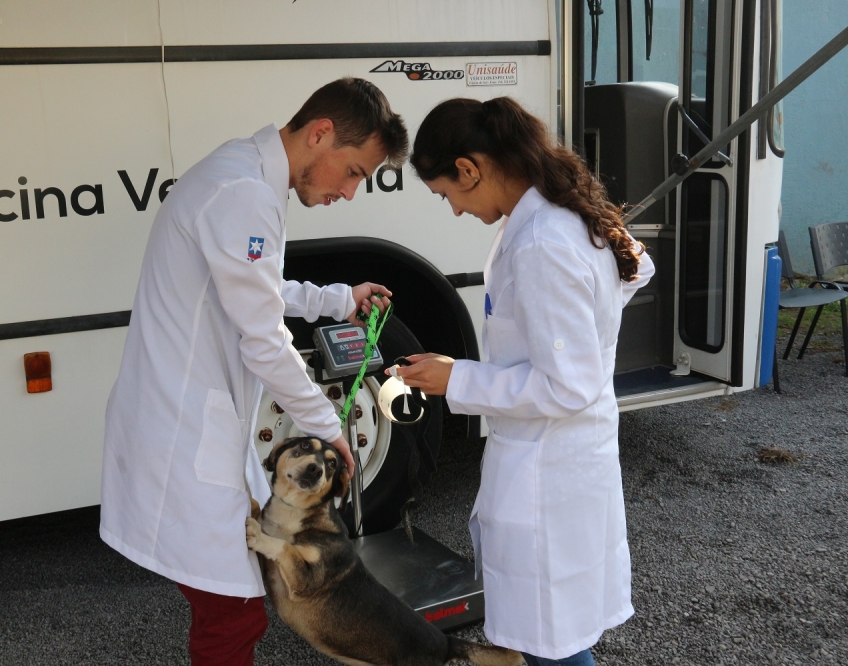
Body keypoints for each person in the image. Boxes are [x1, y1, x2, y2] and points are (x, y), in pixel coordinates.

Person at [100, 77, 407, 666]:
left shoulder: (240, 173)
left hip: (187, 421)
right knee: (232, 614)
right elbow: (263, 339)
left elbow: (254, 287)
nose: (349, 192)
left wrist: (335, 300)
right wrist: (329, 428)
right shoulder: (242, 192)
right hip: (183, 432)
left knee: (228, 609)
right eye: (353, 172)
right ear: (320, 133)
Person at [396, 97, 655, 666]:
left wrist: (456, 379)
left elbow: (566, 386)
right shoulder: (559, 216)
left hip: (550, 471)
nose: (456, 211)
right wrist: (594, 325)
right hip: (565, 459)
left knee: (550, 644)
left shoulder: (542, 241)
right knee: (556, 631)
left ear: (470, 168)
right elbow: (638, 266)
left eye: (447, 195)